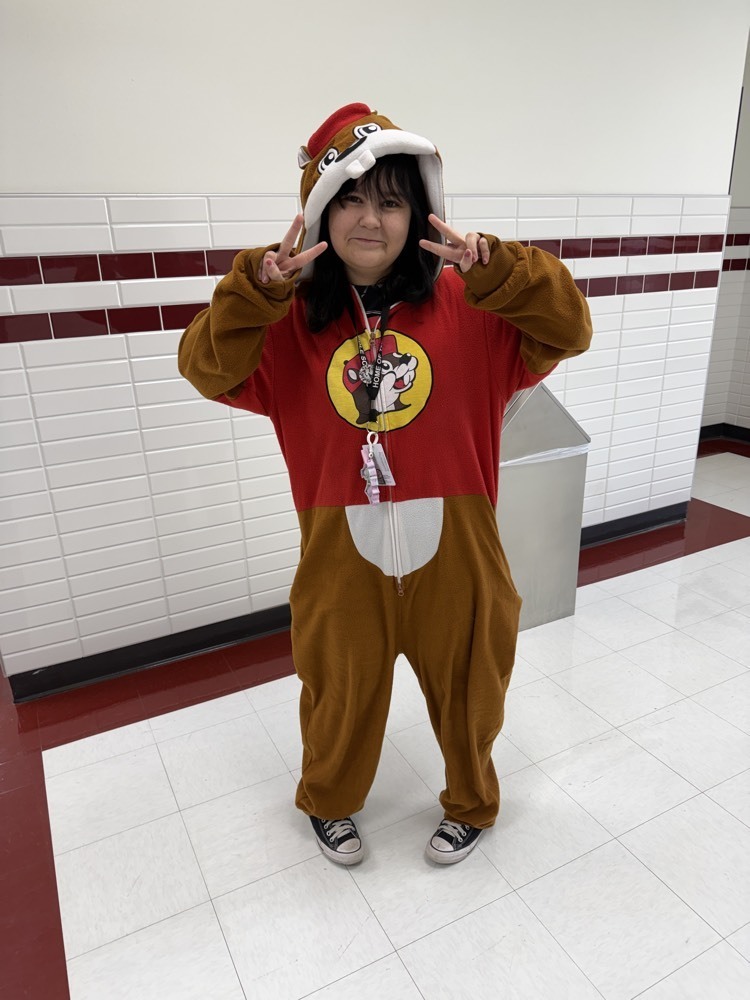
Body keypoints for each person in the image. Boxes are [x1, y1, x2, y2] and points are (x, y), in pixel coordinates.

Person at [178, 103, 592, 866]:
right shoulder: (286, 321)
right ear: (320, 211)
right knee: (336, 688)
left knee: (474, 685)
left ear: (419, 212)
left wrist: (498, 268)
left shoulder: (475, 306)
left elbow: (571, 328)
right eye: (353, 198)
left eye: (392, 200)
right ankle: (329, 802)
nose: (372, 219)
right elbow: (204, 368)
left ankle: (472, 803)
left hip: (461, 551)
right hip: (339, 554)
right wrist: (254, 294)